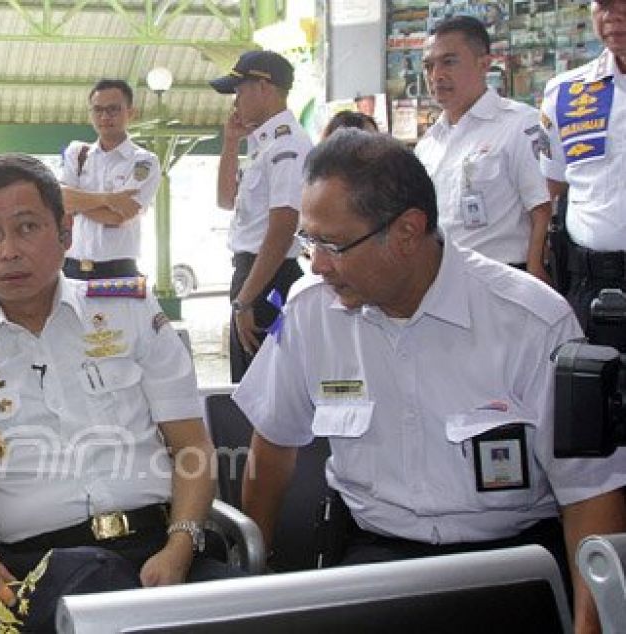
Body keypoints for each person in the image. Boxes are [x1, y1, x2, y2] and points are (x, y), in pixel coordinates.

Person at [236, 129, 626, 634]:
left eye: (333, 244)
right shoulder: (311, 312)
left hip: (514, 568)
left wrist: (590, 628)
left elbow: (590, 494)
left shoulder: (531, 320)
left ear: (406, 231)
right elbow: (272, 447)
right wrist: (257, 584)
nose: (318, 264)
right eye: (310, 241)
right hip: (374, 563)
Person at [0, 154, 228, 627]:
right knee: (89, 580)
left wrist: (181, 548)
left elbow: (192, 447)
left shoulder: (130, 311)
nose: (8, 251)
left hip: (161, 556)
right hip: (42, 573)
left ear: (65, 233)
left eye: (26, 228)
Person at [416, 16, 553, 284]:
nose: (436, 76)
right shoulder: (428, 144)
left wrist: (537, 273)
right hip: (444, 279)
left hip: (505, 276)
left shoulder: (518, 123)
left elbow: (542, 208)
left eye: (449, 62)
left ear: (484, 64)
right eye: (428, 66)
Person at [211, 50, 311, 382]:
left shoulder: (288, 145)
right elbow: (226, 200)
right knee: (250, 387)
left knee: (268, 392)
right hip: (253, 276)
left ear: (265, 87)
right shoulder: (263, 145)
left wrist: (246, 300)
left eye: (240, 91)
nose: (235, 102)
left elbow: (283, 228)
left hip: (267, 279)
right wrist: (230, 142)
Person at [540, 0, 626, 331]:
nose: (614, 15)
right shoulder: (566, 92)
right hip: (590, 287)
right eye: (604, 3)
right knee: (586, 380)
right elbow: (555, 187)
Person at [60, 79, 161, 280]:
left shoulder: (144, 162)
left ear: (130, 113)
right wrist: (109, 199)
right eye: (98, 110)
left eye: (113, 109)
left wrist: (77, 203)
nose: (105, 116)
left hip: (117, 271)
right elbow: (61, 199)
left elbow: (119, 216)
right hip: (71, 268)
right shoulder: (77, 153)